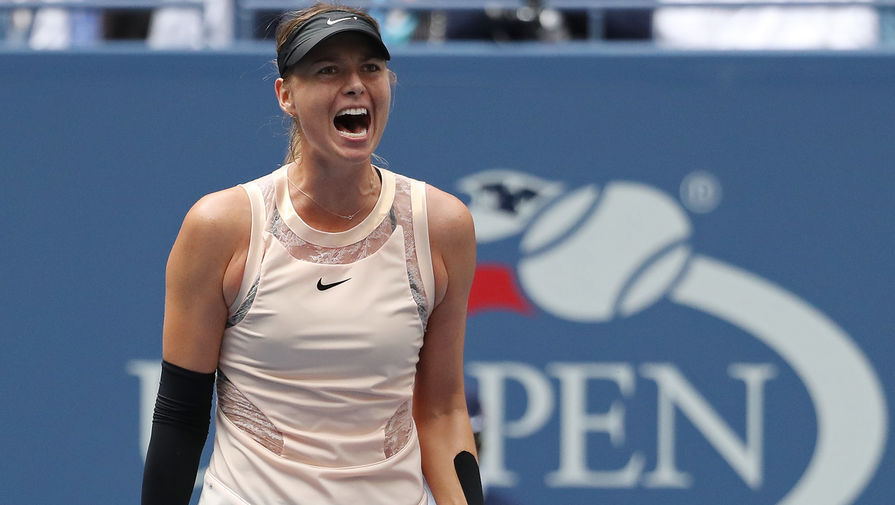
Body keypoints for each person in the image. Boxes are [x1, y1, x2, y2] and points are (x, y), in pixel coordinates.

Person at [140, 3, 483, 505]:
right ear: (286, 96)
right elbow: (180, 414)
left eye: (371, 67)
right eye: (328, 70)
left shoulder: (442, 225)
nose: (355, 84)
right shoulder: (221, 226)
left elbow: (443, 409)